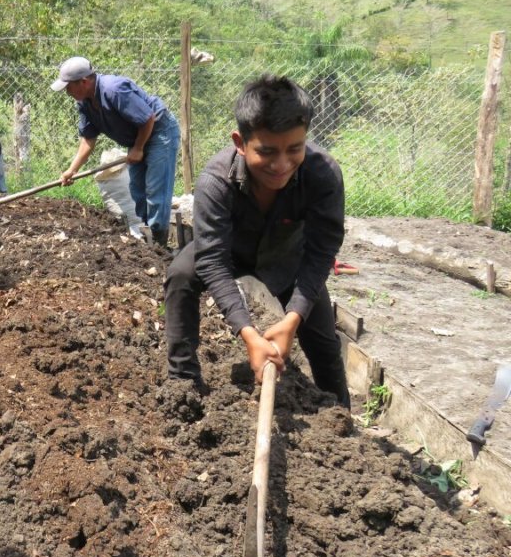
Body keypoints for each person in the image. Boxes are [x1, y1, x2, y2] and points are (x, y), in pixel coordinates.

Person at [163, 74, 350, 408]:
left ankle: (340, 415)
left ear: (306, 138)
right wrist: (248, 333)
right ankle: (183, 382)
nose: (281, 164)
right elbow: (212, 260)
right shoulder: (216, 181)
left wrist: (292, 319)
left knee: (323, 343)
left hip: (288, 256)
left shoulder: (323, 175)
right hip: (229, 251)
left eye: (295, 149)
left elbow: (322, 251)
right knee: (181, 274)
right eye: (266, 152)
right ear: (240, 142)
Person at [52, 56, 180, 247]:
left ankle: (159, 244)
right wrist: (72, 170)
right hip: (138, 137)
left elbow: (148, 118)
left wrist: (138, 149)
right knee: (138, 190)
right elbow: (88, 139)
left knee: (155, 189)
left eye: (68, 87)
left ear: (84, 82)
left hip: (159, 131)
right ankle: (150, 235)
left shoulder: (114, 90)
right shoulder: (85, 103)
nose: (67, 92)